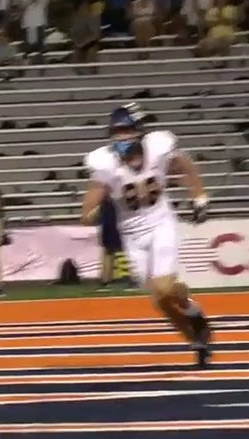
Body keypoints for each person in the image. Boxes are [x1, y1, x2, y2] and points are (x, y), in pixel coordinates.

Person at [81, 104, 213, 368]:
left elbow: (186, 166)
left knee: (163, 286)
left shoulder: (158, 147)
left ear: (139, 131)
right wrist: (95, 209)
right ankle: (196, 333)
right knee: (160, 299)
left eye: (127, 130)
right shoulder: (105, 164)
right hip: (131, 235)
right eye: (117, 132)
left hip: (161, 223)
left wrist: (199, 198)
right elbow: (87, 211)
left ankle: (192, 316)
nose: (122, 137)